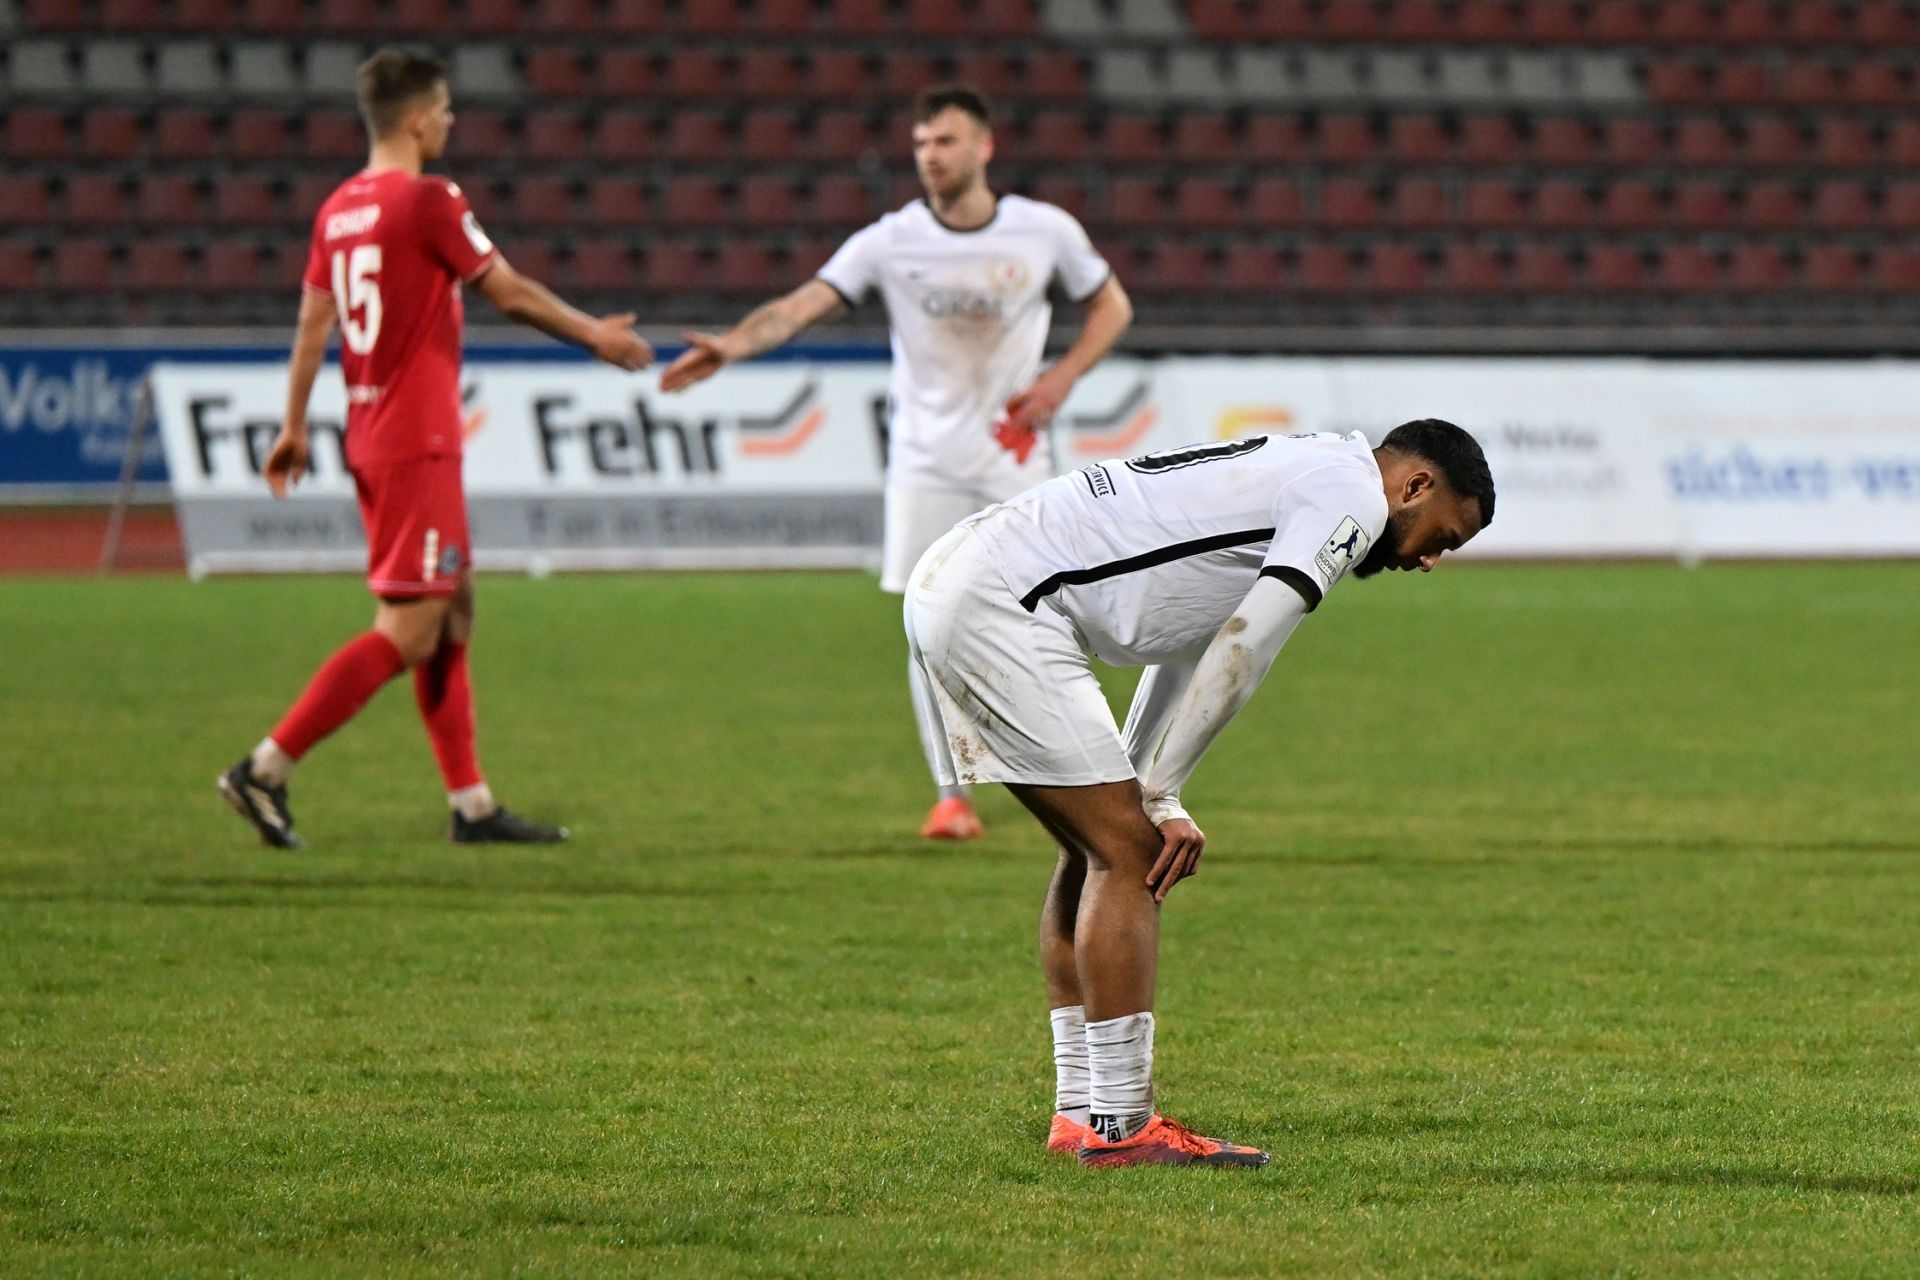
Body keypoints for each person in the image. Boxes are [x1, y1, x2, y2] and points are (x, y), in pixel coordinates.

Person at [903, 420, 1496, 1166]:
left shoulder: (1311, 466)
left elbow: (1196, 638)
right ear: (1414, 486)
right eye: (1444, 534)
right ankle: (1123, 1128)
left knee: (1099, 844)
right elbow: (1248, 644)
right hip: (1002, 601)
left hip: (970, 576)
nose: (1433, 559)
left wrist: (1154, 786)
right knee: (1128, 851)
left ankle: (1082, 1112)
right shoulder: (1351, 499)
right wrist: (1162, 799)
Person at [660, 84, 1133, 842]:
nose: (930, 157)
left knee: (1055, 617)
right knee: (925, 622)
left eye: (944, 142)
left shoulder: (1043, 231)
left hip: (1013, 455)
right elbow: (799, 305)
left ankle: (1085, 773)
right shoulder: (890, 239)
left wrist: (1062, 377)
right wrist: (732, 344)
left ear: (984, 148)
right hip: (924, 462)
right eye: (920, 145)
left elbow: (1112, 305)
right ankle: (953, 797)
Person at [217, 47, 652, 849]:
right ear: (417, 119)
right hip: (418, 438)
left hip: (370, 432)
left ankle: (473, 807)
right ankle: (266, 769)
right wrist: (595, 334)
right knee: (412, 627)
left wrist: (291, 424)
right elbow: (510, 291)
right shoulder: (430, 200)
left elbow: (315, 322)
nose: (452, 122)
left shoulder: (337, 209)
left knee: (453, 606)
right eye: (446, 110)